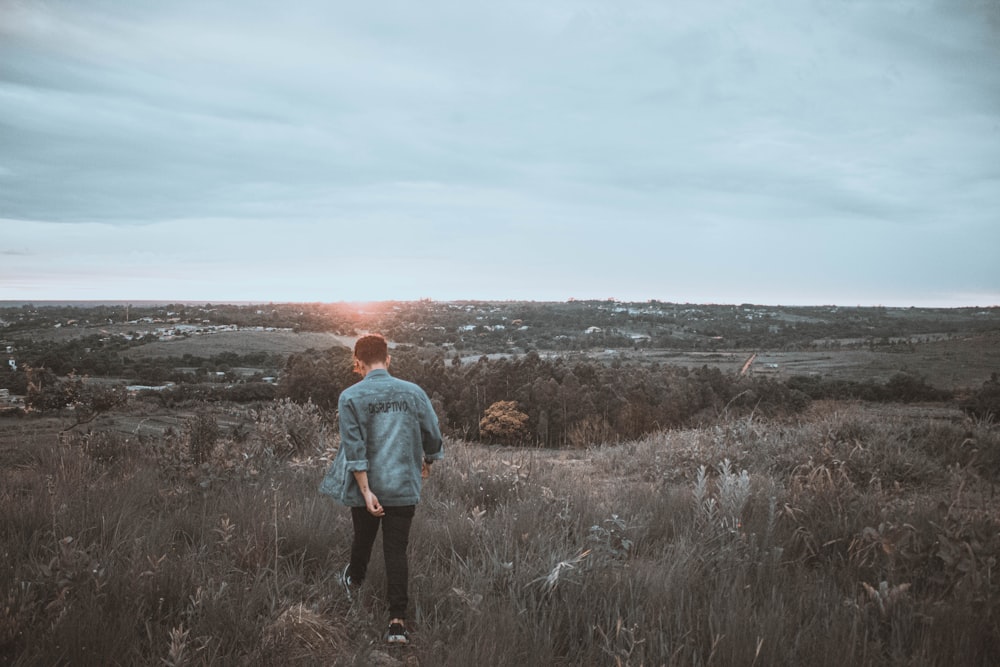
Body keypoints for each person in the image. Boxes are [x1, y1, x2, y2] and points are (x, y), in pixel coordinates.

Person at [319, 333, 444, 645]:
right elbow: (433, 433)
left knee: (362, 539)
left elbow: (354, 449)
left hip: (368, 488)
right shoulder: (414, 393)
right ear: (388, 359)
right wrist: (428, 459)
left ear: (358, 363)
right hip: (403, 485)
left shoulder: (350, 397)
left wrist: (366, 492)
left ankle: (353, 584)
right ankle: (397, 624)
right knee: (395, 551)